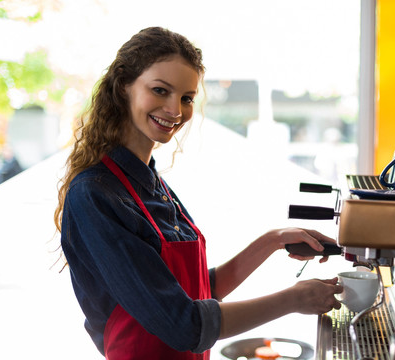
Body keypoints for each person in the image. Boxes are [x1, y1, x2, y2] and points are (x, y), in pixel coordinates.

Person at [54, 27, 342, 360]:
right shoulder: (95, 195)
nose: (175, 110)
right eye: (160, 90)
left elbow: (204, 291)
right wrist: (292, 300)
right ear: (123, 86)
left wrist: (273, 240)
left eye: (187, 98)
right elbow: (183, 324)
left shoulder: (153, 185)